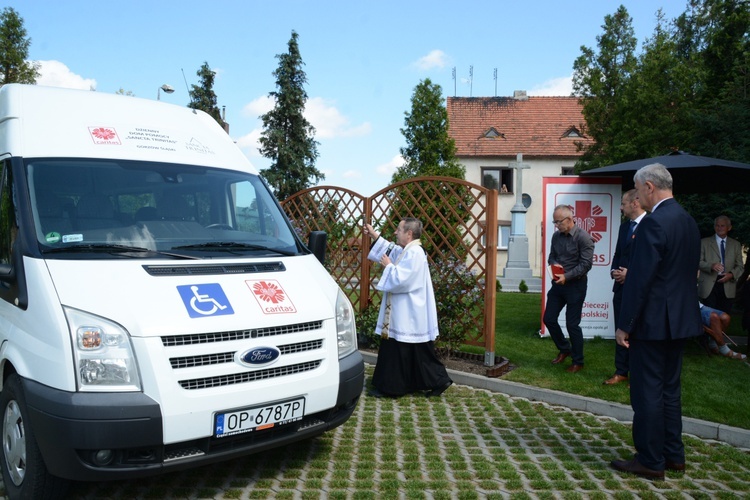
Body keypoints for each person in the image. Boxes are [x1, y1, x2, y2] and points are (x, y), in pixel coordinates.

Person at [611, 163, 703, 480]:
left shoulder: (653, 223)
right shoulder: (688, 220)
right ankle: (674, 455)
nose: (636, 196)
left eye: (637, 190)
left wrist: (625, 325)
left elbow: (640, 281)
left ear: (649, 187)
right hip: (679, 320)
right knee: (669, 390)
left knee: (647, 392)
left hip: (652, 322)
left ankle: (651, 459)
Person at [363, 218, 453, 398]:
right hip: (407, 311)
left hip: (408, 312)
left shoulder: (415, 253)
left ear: (409, 234)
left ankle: (392, 388)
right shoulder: (409, 250)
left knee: (401, 349)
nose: (395, 232)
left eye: (399, 230)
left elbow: (402, 279)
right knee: (414, 350)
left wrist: (388, 266)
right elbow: (393, 251)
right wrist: (373, 234)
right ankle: (436, 381)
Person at [543, 204, 595, 373]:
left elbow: (586, 264)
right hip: (558, 285)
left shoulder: (584, 238)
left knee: (572, 324)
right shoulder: (556, 237)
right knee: (549, 318)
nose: (556, 225)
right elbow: (551, 256)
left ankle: (578, 361)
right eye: (554, 222)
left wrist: (567, 276)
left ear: (569, 219)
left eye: (558, 222)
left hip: (575, 286)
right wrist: (554, 264)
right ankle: (565, 349)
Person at [604, 190, 646, 386]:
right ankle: (621, 371)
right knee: (620, 329)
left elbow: (651, 260)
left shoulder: (650, 226)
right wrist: (614, 271)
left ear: (635, 203)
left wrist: (630, 274)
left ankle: (638, 374)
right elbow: (618, 254)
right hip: (620, 288)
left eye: (623, 203)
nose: (621, 207)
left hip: (639, 290)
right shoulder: (624, 227)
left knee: (637, 332)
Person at [698, 215, 744, 314]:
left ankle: (721, 331)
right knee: (709, 318)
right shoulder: (704, 242)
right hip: (709, 286)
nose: (719, 228)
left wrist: (731, 275)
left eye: (722, 226)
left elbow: (740, 266)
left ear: (729, 227)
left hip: (728, 285)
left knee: (724, 317)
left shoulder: (735, 244)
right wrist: (711, 266)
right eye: (717, 225)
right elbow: (697, 262)